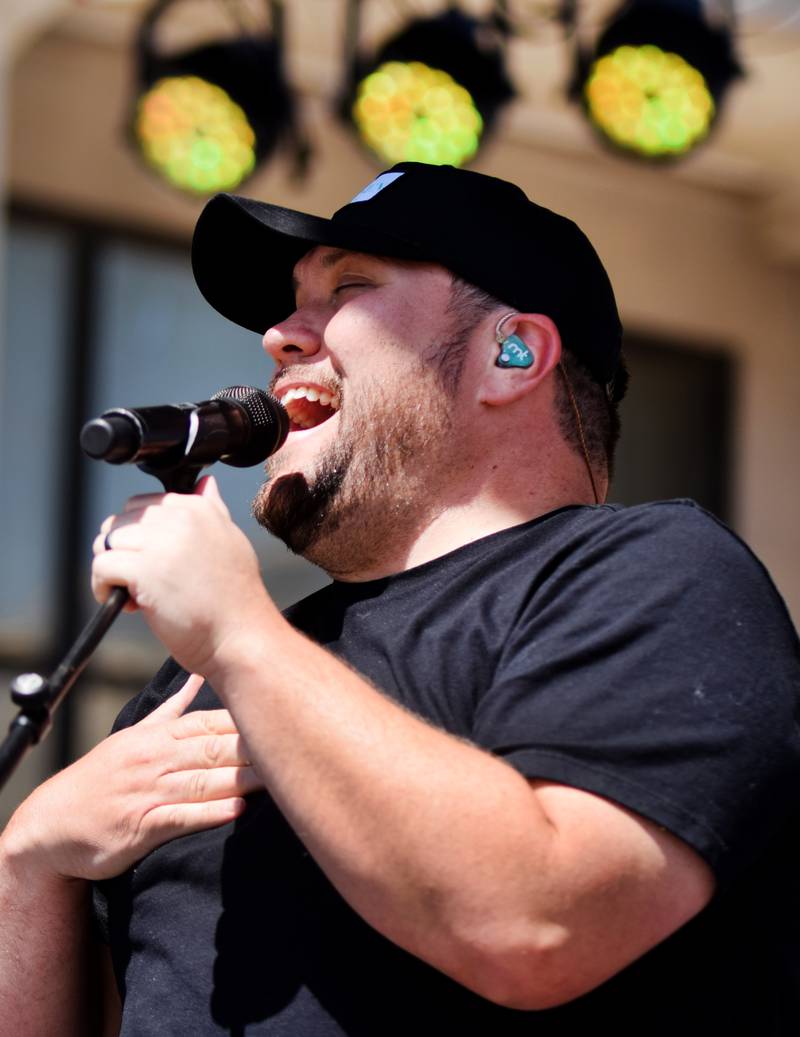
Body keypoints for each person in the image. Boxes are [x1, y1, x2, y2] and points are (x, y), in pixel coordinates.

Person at [1, 162, 798, 1036]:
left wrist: (239, 632)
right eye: (292, 302)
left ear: (514, 352)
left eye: (347, 288)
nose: (279, 336)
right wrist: (29, 858)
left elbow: (536, 926)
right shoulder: (197, 683)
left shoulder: (657, 575)